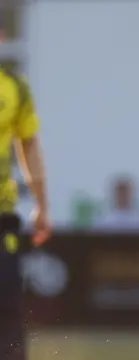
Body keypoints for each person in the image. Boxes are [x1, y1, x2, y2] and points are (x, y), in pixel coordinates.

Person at [0, 30, 50, 360]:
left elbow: (28, 145)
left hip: (1, 215)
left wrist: (41, 205)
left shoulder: (14, 88)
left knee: (7, 306)